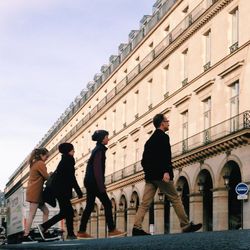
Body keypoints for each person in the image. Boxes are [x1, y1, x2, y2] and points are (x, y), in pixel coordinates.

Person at [132, 114, 202, 236]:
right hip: (161, 176)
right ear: (162, 123)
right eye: (167, 121)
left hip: (150, 177)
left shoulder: (149, 141)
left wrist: (150, 173)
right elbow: (165, 156)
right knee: (175, 198)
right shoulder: (163, 137)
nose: (168, 123)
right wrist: (165, 172)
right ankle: (185, 225)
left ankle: (136, 228)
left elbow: (144, 161)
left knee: (145, 203)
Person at [77, 130, 126, 238]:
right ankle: (112, 230)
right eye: (107, 137)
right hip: (94, 182)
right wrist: (101, 186)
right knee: (107, 204)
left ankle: (81, 231)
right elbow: (97, 169)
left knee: (89, 206)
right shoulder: (99, 150)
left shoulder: (96, 149)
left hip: (90, 181)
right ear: (102, 138)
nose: (108, 139)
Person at [37, 143, 83, 240]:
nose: (74, 151)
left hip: (59, 190)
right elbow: (72, 177)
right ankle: (46, 227)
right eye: (72, 150)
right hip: (62, 191)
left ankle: (68, 233)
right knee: (68, 212)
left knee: (65, 212)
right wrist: (78, 191)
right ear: (68, 151)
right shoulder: (69, 160)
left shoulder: (64, 160)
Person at [22, 148, 50, 243]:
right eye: (46, 156)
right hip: (35, 192)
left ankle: (44, 230)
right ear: (42, 155)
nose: (47, 158)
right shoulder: (40, 164)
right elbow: (46, 177)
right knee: (32, 214)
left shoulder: (34, 163)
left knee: (46, 211)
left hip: (35, 191)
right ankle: (26, 234)